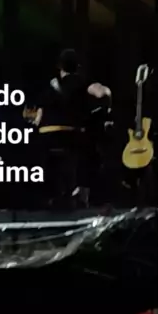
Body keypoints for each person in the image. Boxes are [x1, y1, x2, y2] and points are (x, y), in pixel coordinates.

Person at [34, 49, 111, 208]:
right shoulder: (81, 81)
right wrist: (107, 99)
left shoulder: (49, 86)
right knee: (93, 152)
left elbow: (37, 119)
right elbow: (101, 93)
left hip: (48, 136)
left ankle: (50, 196)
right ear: (78, 67)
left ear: (59, 67)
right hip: (71, 134)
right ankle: (82, 192)